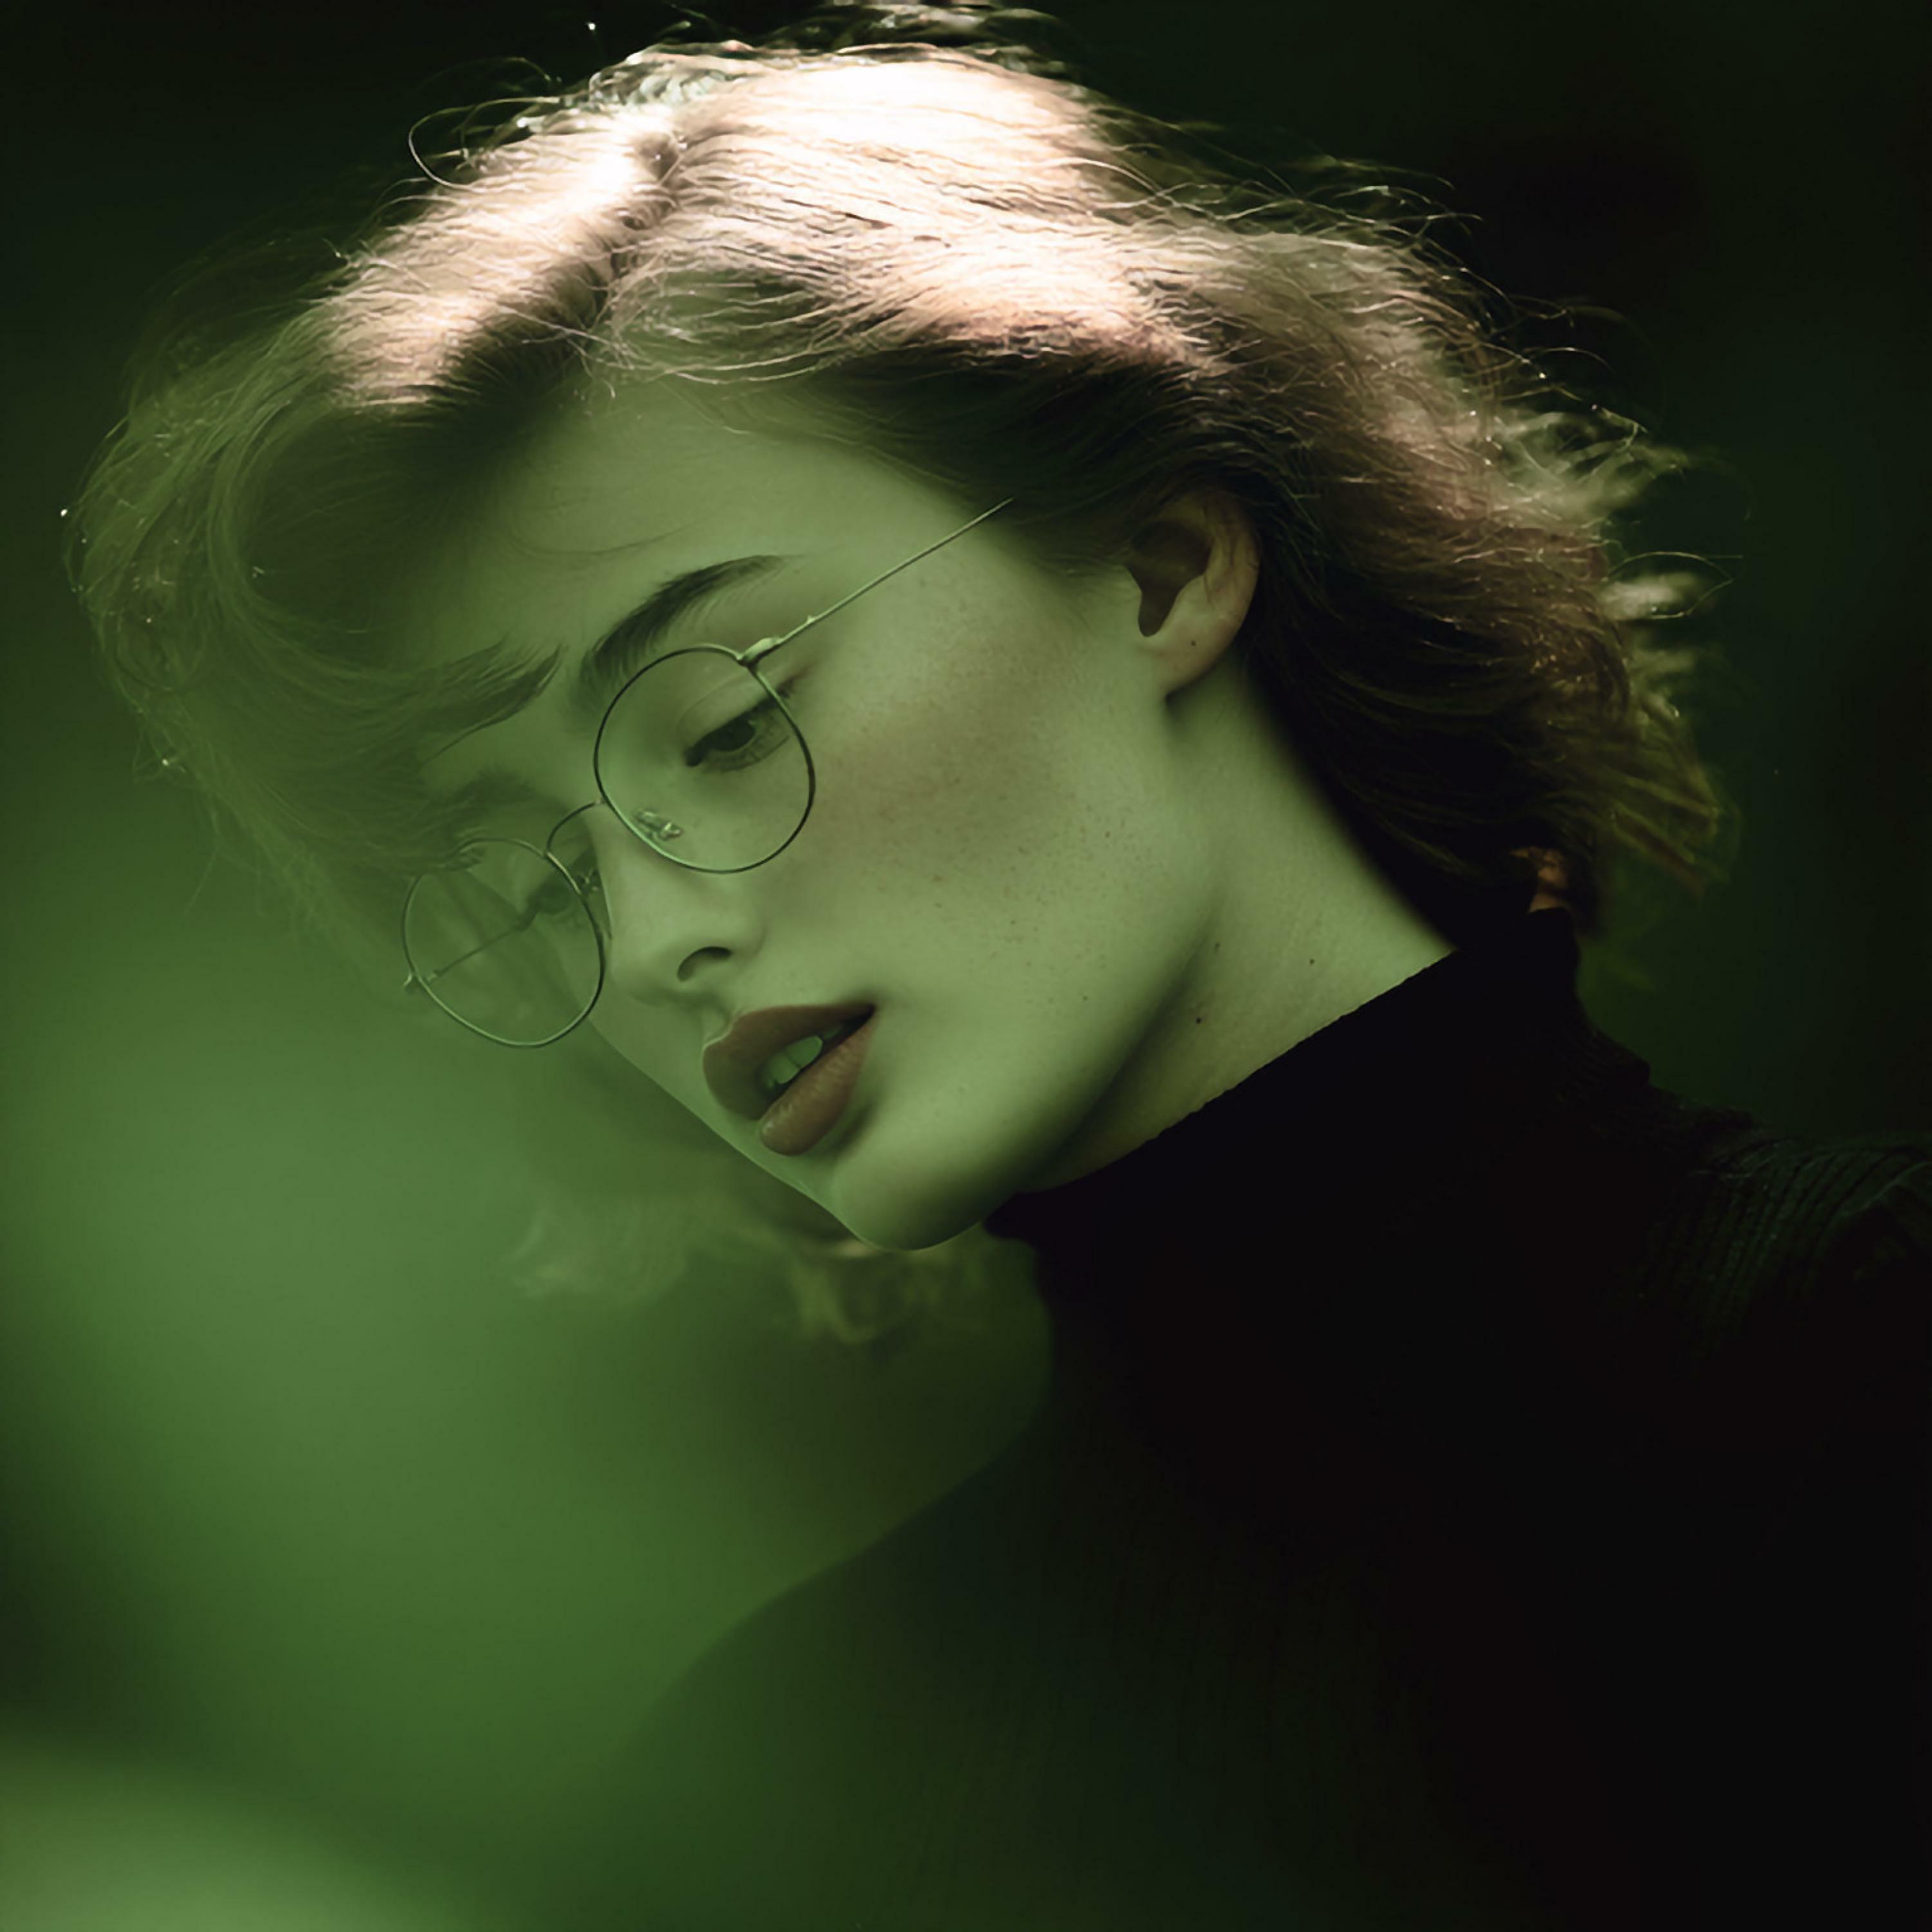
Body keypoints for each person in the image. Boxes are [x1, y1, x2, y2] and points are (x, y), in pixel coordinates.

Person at [64, 5, 1929, 1926]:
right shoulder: (747, 1811)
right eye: (529, 879)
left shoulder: (1863, 1381)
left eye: (721, 723)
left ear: (1158, 566)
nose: (654, 933)